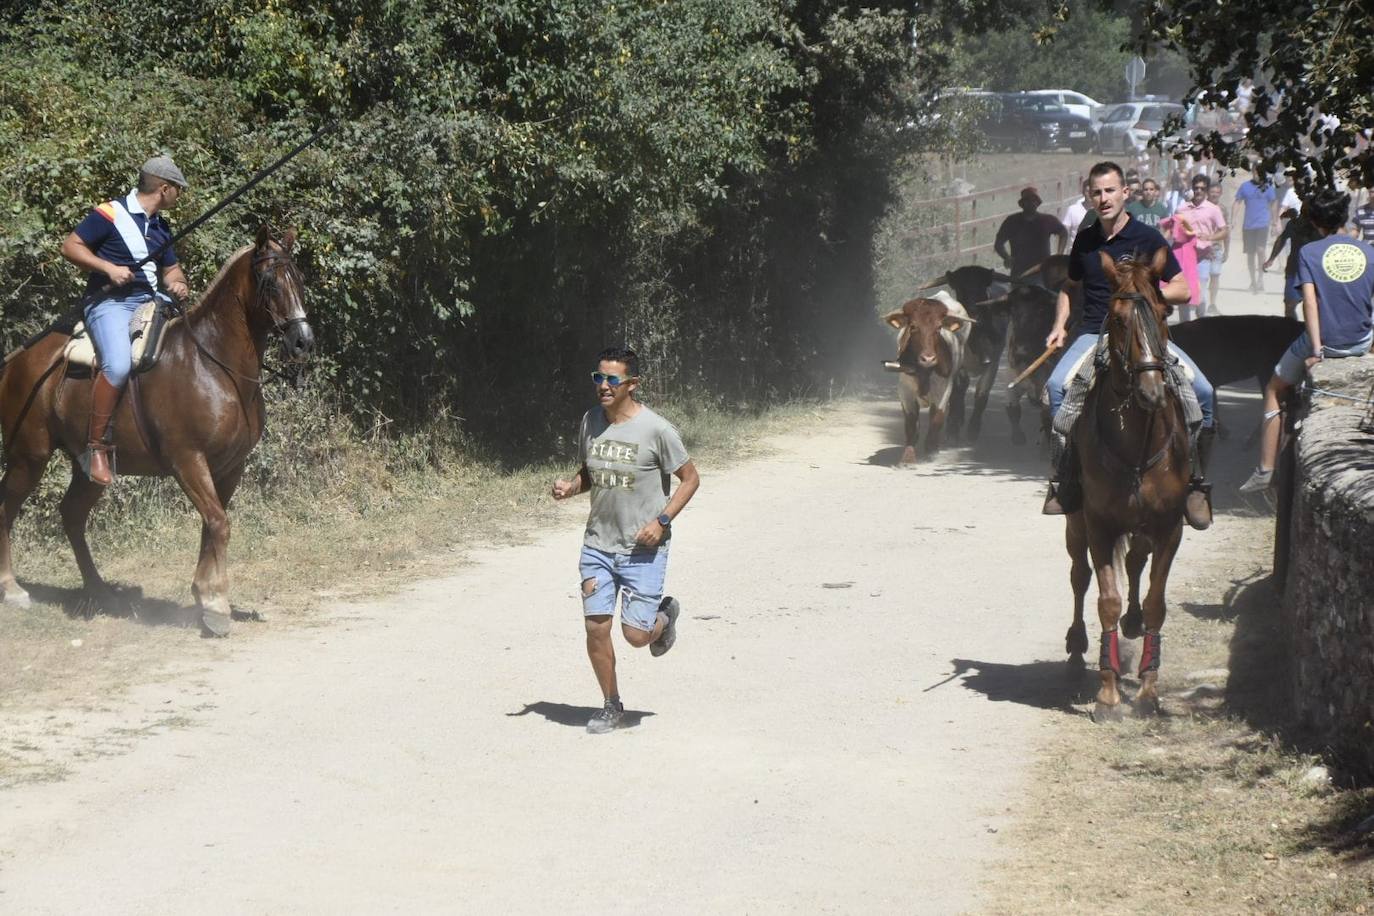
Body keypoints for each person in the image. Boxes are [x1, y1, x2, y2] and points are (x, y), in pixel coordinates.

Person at [1042, 161, 1217, 529]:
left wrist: (1148, 296)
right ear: (1089, 196)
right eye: (1097, 192)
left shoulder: (1148, 238)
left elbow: (1184, 288)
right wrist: (1060, 326)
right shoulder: (1086, 239)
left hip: (1145, 334)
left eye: (1110, 191)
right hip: (1094, 332)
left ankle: (1196, 483)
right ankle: (1067, 479)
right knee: (1057, 389)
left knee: (1202, 391)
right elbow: (1070, 287)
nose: (1104, 198)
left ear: (1125, 193)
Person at [551, 347, 701, 734]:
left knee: (636, 636)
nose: (603, 385)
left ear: (632, 384)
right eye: (598, 377)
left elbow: (690, 479)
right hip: (598, 544)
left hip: (642, 548)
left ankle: (664, 616)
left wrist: (663, 520)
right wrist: (571, 487)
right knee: (596, 627)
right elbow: (593, 471)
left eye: (612, 379)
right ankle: (611, 705)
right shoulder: (590, 421)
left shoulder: (657, 430)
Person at [60, 155, 190, 486]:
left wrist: (178, 282)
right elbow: (70, 246)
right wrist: (108, 268)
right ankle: (96, 447)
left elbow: (171, 269)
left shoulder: (162, 227)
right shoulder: (110, 213)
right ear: (164, 188)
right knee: (117, 365)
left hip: (150, 304)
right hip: (109, 304)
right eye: (178, 190)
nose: (180, 195)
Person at [1240, 190, 1374, 492]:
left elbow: (1310, 304)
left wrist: (1316, 350)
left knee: (1274, 388)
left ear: (1314, 221)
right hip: (1363, 340)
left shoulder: (1310, 253)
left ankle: (1265, 468)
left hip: (1328, 342)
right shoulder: (1368, 252)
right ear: (1344, 217)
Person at [1174, 174, 1228, 316]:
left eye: (1202, 189)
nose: (1198, 191)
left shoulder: (1213, 209)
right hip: (1185, 258)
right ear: (1192, 188)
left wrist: (1210, 237)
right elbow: (1174, 232)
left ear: (1206, 190)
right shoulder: (1181, 209)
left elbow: (1224, 231)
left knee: (1200, 297)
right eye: (1196, 188)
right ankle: (1184, 327)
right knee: (1184, 295)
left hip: (1203, 257)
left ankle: (1200, 323)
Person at [995, 187, 1068, 277]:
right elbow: (998, 243)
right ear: (1022, 204)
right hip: (1019, 272)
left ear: (1037, 203)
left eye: (1034, 200)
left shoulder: (1047, 220)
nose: (1031, 203)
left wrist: (1059, 255)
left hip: (1043, 272)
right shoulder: (1012, 221)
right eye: (1027, 200)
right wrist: (1006, 257)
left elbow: (1063, 233)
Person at [1264, 204, 1321, 320]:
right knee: (1289, 305)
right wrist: (1271, 259)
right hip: (1294, 269)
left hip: (1315, 271)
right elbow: (1281, 239)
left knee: (1314, 306)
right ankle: (1291, 330)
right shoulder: (1294, 224)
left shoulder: (1321, 227)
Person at [1233, 175, 1277, 292]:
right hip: (1248, 225)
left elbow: (1273, 204)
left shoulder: (1268, 187)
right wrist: (1233, 219)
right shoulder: (1245, 186)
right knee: (1250, 254)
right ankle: (1252, 281)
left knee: (1261, 250)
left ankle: (1260, 279)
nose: (1258, 175)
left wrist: (1274, 223)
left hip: (1263, 223)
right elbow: (1237, 201)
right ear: (1253, 172)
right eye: (1256, 172)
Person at [1159, 208, 1202, 321]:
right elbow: (1163, 236)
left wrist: (1181, 219)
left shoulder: (1192, 236)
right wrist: (1174, 222)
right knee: (1173, 304)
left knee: (1188, 305)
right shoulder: (1171, 239)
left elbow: (1189, 230)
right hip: (1174, 273)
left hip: (1188, 274)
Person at [1061, 179, 1097, 244]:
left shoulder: (1103, 210)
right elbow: (1064, 233)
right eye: (1087, 191)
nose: (1090, 194)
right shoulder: (1073, 210)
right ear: (1083, 192)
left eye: (1093, 191)